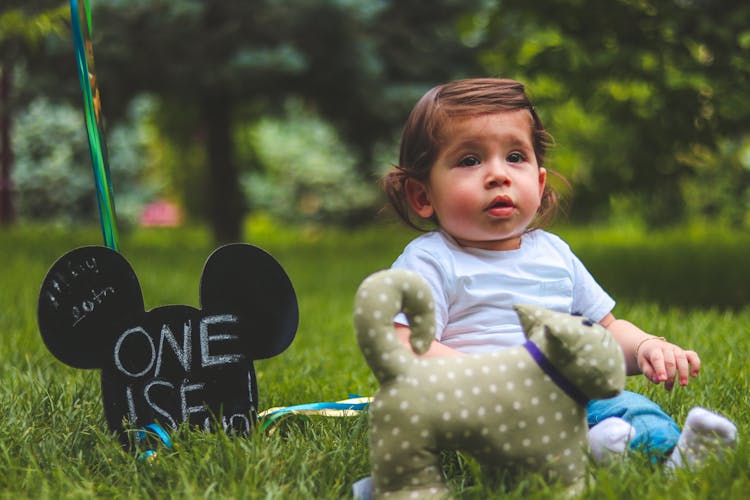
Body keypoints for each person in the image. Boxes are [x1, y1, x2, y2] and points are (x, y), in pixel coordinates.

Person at [380, 78, 737, 467]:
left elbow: (605, 330)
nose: (498, 174)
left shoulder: (554, 254)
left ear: (539, 179)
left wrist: (645, 346)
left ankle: (670, 454)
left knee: (630, 405)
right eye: (470, 160)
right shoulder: (431, 261)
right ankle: (596, 450)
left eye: (515, 157)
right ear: (422, 195)